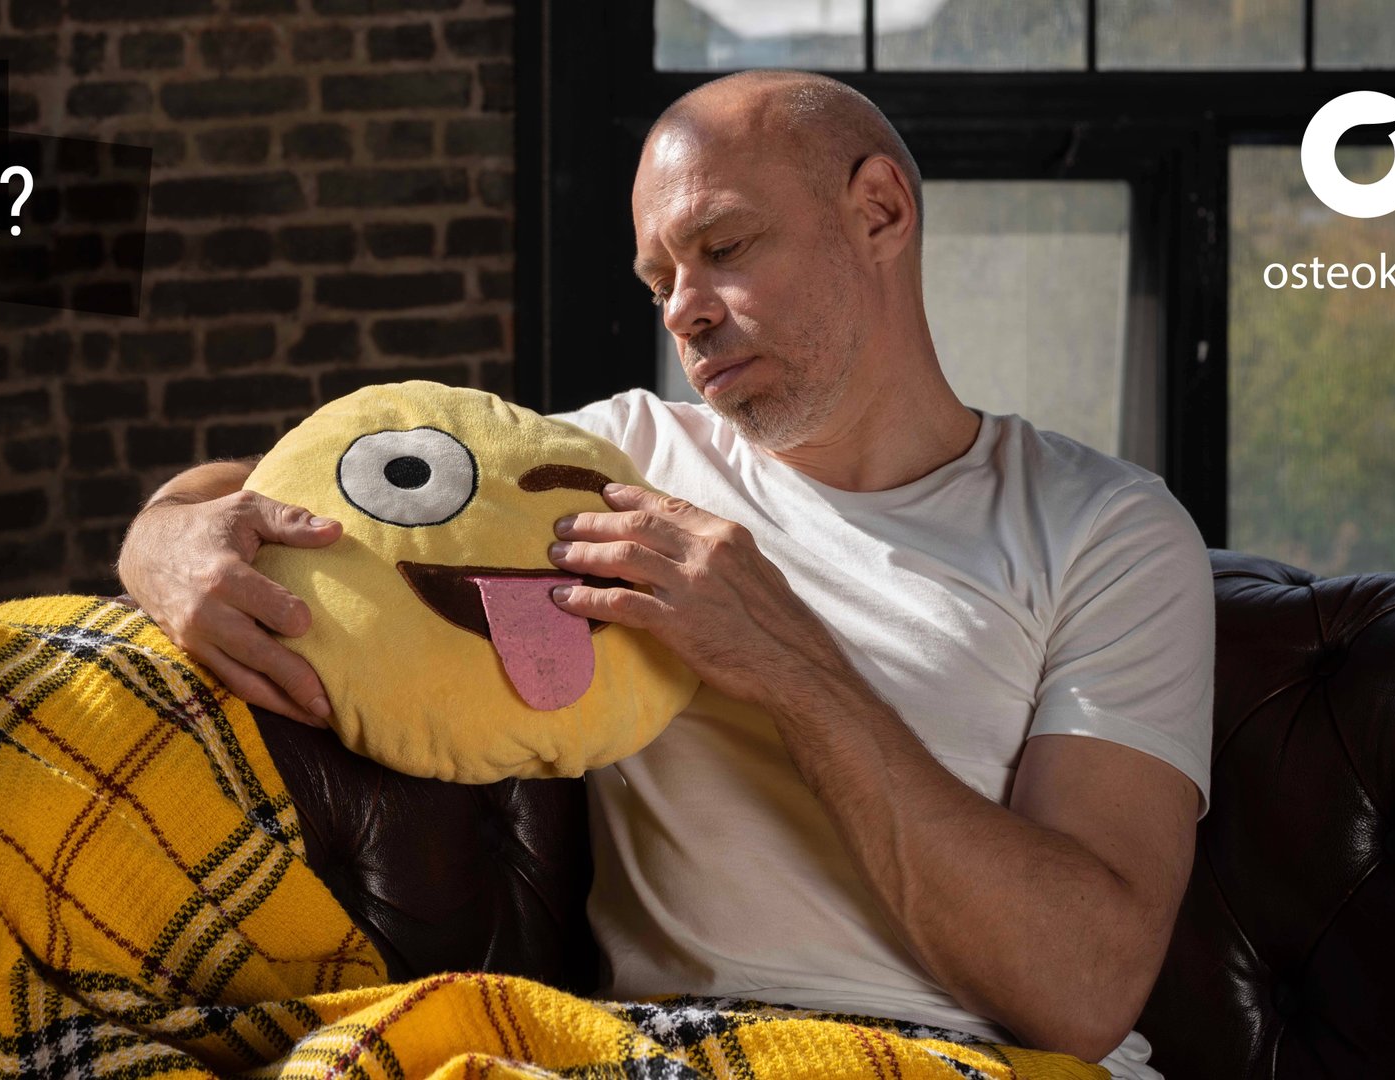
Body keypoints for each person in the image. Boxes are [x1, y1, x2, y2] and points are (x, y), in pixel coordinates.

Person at [116, 70, 1212, 1080]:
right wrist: (162, 541)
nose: (685, 308)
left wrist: (788, 663)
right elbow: (322, 485)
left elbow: (1082, 991)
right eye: (660, 280)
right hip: (676, 1053)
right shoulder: (614, 467)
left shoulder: (1104, 530)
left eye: (724, 247)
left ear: (879, 211)